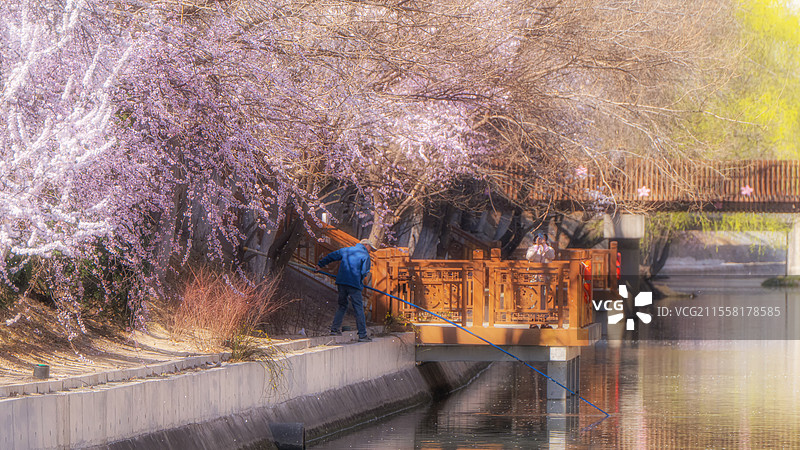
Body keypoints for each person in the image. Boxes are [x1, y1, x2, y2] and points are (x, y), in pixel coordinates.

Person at [318, 238, 376, 342]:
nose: (370, 250)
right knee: (358, 308)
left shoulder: (346, 250)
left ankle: (334, 329)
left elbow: (332, 256)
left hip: (341, 282)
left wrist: (320, 265)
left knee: (342, 305)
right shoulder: (365, 256)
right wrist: (360, 282)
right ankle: (362, 335)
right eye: (370, 248)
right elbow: (364, 272)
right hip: (354, 284)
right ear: (366, 245)